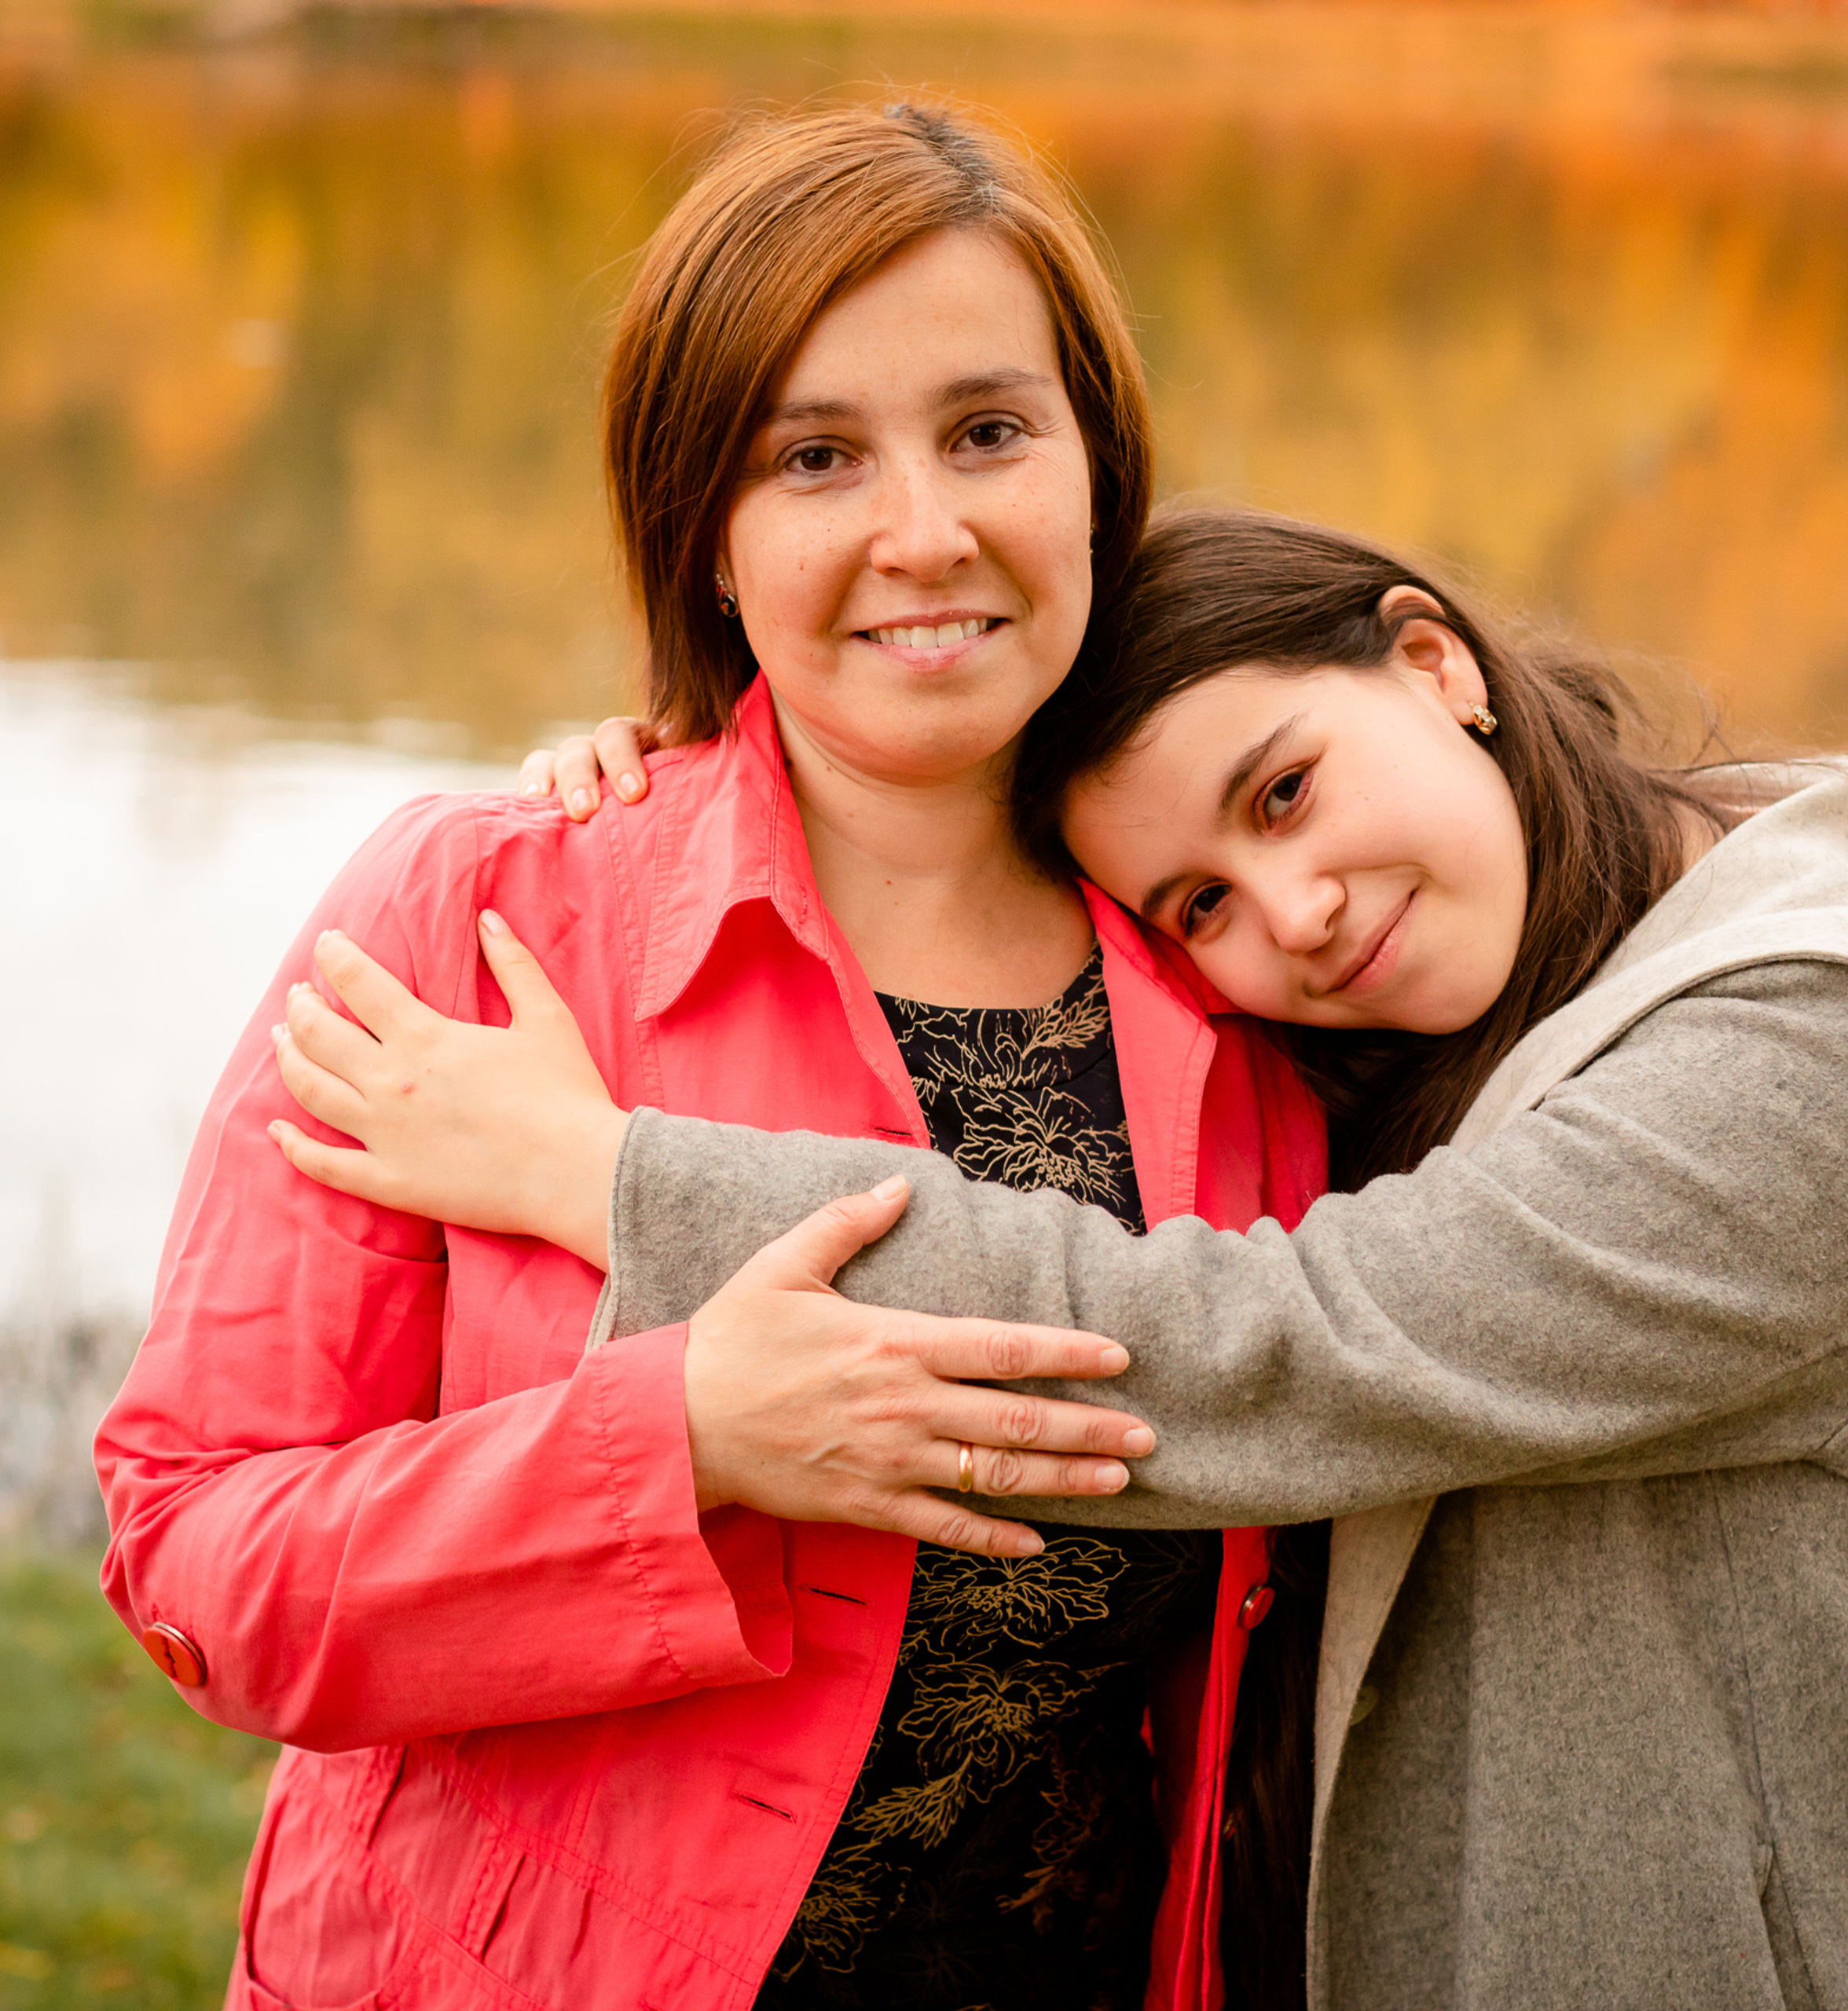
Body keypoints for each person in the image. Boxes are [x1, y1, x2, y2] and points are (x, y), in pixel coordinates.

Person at [269, 508, 1848, 2010]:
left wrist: (613, 1178)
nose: (1296, 912)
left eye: (1284, 789)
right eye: (1198, 905)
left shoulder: (1829, 1051)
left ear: (1431, 664)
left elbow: (1275, 1341)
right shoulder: (1491, 1003)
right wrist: (711, 782)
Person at [95, 108, 1332, 2011]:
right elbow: (201, 1562)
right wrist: (676, 1440)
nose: (922, 531)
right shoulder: (486, 918)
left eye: (989, 431)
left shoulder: (1251, 981)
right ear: (706, 527)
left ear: (1097, 472)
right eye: (814, 456)